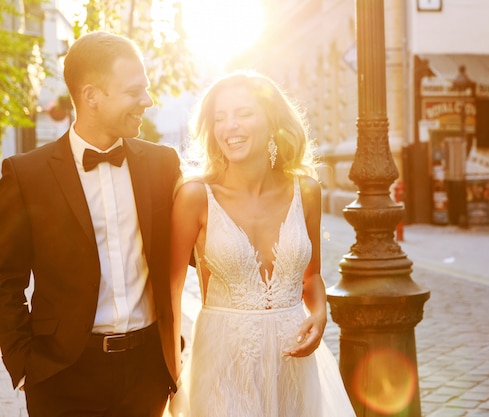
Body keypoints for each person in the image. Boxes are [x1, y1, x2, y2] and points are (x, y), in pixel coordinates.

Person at [0, 31, 181, 416]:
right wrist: (23, 366)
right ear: (92, 96)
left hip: (146, 373)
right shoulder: (26, 174)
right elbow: (5, 278)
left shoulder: (163, 164)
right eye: (135, 91)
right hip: (61, 376)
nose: (146, 101)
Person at [166, 70, 356, 416]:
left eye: (243, 113)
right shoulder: (196, 196)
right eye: (220, 117)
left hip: (294, 365)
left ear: (272, 121)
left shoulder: (307, 191)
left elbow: (310, 278)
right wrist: (172, 373)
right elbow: (171, 292)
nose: (230, 127)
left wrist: (319, 312)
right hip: (223, 367)